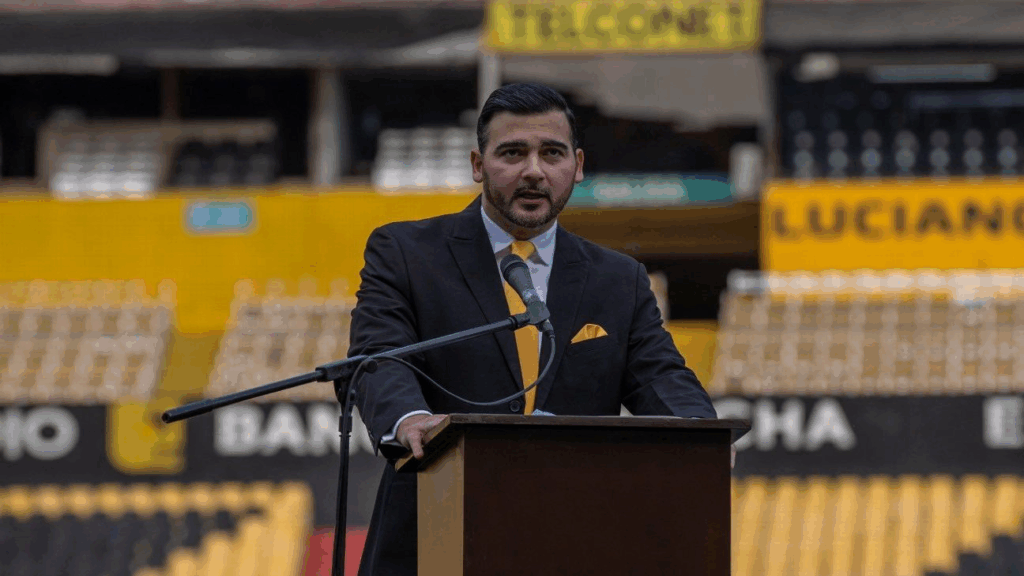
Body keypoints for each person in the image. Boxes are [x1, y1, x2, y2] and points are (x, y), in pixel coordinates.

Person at [349, 83, 717, 576]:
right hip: (431, 533)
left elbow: (658, 375)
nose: (534, 171)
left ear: (578, 165)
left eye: (552, 153)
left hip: (574, 538)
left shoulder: (618, 279)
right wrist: (408, 417)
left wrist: (699, 434)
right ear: (478, 165)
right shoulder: (406, 252)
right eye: (512, 153)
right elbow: (378, 355)